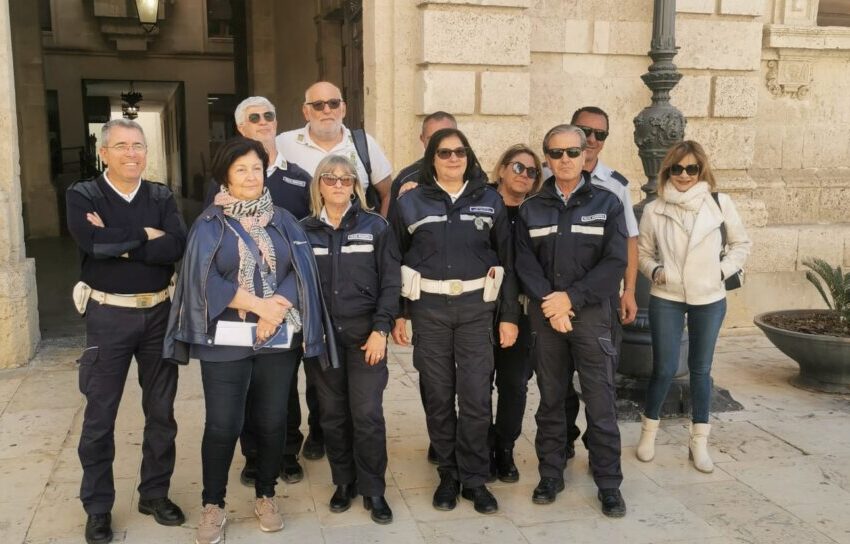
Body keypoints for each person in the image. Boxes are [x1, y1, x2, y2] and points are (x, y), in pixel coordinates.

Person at [163, 137, 338, 544]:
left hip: (277, 338)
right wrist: (260, 307)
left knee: (273, 420)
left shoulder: (283, 219)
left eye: (256, 168)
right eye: (240, 169)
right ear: (226, 175)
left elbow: (301, 268)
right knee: (224, 424)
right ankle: (213, 505)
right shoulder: (210, 224)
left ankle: (265, 495)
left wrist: (276, 309)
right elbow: (203, 279)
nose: (250, 176)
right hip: (224, 341)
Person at [66, 118, 187, 544]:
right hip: (108, 316)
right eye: (121, 146)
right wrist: (144, 236)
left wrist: (121, 242)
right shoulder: (83, 193)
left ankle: (154, 494)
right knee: (100, 417)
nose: (131, 153)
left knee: (162, 413)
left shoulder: (160, 194)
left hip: (159, 314)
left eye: (138, 145)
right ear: (104, 152)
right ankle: (98, 507)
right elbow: (93, 246)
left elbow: (176, 246)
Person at [391, 128, 520, 515]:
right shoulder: (409, 203)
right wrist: (398, 313)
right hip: (428, 309)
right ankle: (448, 473)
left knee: (478, 397)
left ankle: (475, 478)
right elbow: (392, 260)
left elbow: (507, 262)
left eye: (459, 152)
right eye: (444, 152)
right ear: (432, 158)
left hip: (477, 309)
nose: (452, 158)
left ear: (468, 156)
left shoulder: (490, 200)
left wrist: (509, 317)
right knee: (438, 395)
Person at [515, 124, 628, 517]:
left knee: (600, 401)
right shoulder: (532, 208)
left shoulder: (608, 203)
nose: (564, 160)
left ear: (585, 155)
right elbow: (524, 264)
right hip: (547, 319)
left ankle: (609, 484)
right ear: (546, 157)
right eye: (556, 153)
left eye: (572, 152)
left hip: (593, 317)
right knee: (551, 400)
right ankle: (551, 473)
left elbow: (615, 263)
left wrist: (570, 300)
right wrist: (551, 304)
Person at [204, 96, 313, 486]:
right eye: (255, 117)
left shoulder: (298, 178)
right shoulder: (213, 208)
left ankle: (286, 452)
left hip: (284, 310)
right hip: (237, 316)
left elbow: (302, 249)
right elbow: (209, 258)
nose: (265, 121)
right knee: (246, 396)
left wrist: (277, 307)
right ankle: (253, 458)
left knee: (283, 393)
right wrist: (257, 306)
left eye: (270, 114)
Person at [635, 140, 751, 473]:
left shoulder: (719, 203)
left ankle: (698, 441)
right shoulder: (655, 209)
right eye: (677, 168)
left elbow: (740, 244)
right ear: (667, 170)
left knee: (701, 370)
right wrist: (657, 271)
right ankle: (648, 433)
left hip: (709, 297)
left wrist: (720, 271)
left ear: (701, 170)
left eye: (691, 168)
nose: (684, 175)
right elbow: (643, 253)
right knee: (664, 368)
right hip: (667, 296)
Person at [300, 155, 401, 524]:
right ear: (319, 185)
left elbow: (391, 282)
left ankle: (374, 489)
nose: (338, 184)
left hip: (365, 337)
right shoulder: (303, 230)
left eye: (346, 179)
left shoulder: (376, 227)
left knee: (368, 415)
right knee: (332, 415)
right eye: (330, 178)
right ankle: (344, 483)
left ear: (356, 185)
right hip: (322, 341)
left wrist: (381, 330)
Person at [563, 106, 640, 459]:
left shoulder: (616, 185)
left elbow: (628, 242)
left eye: (600, 134)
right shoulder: (552, 172)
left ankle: (599, 450)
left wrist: (630, 292)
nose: (592, 139)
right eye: (585, 131)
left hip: (601, 301)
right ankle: (561, 442)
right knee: (558, 382)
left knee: (601, 381)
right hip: (558, 299)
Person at [388, 110, 457, 464]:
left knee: (472, 380)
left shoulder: (474, 178)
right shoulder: (407, 181)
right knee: (434, 378)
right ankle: (440, 438)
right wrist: (399, 312)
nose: (447, 151)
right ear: (423, 142)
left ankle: (467, 438)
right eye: (436, 141)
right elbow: (394, 248)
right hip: (426, 302)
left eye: (452, 141)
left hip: (470, 302)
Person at [488, 144, 543, 482]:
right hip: (479, 312)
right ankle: (478, 444)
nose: (525, 175)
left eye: (533, 171)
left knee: (514, 385)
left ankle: (504, 447)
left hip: (521, 313)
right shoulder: (480, 204)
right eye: (518, 167)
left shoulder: (535, 212)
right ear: (502, 169)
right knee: (477, 386)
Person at [277, 81, 394, 216]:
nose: (327, 110)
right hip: (301, 234)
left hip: (356, 234)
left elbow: (388, 193)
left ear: (343, 109)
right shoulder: (284, 143)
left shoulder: (364, 143)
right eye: (318, 105)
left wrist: (382, 230)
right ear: (306, 112)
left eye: (334, 103)